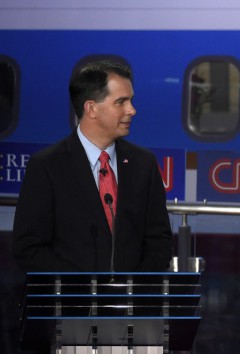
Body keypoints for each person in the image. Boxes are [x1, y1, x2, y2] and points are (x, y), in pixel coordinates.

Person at [12, 60, 174, 272]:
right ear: (91, 108)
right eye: (121, 102)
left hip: (130, 301)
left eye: (131, 100)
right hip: (70, 301)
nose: (132, 110)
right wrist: (84, 288)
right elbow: (28, 248)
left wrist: (134, 287)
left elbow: (159, 241)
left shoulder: (144, 164)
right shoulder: (47, 166)